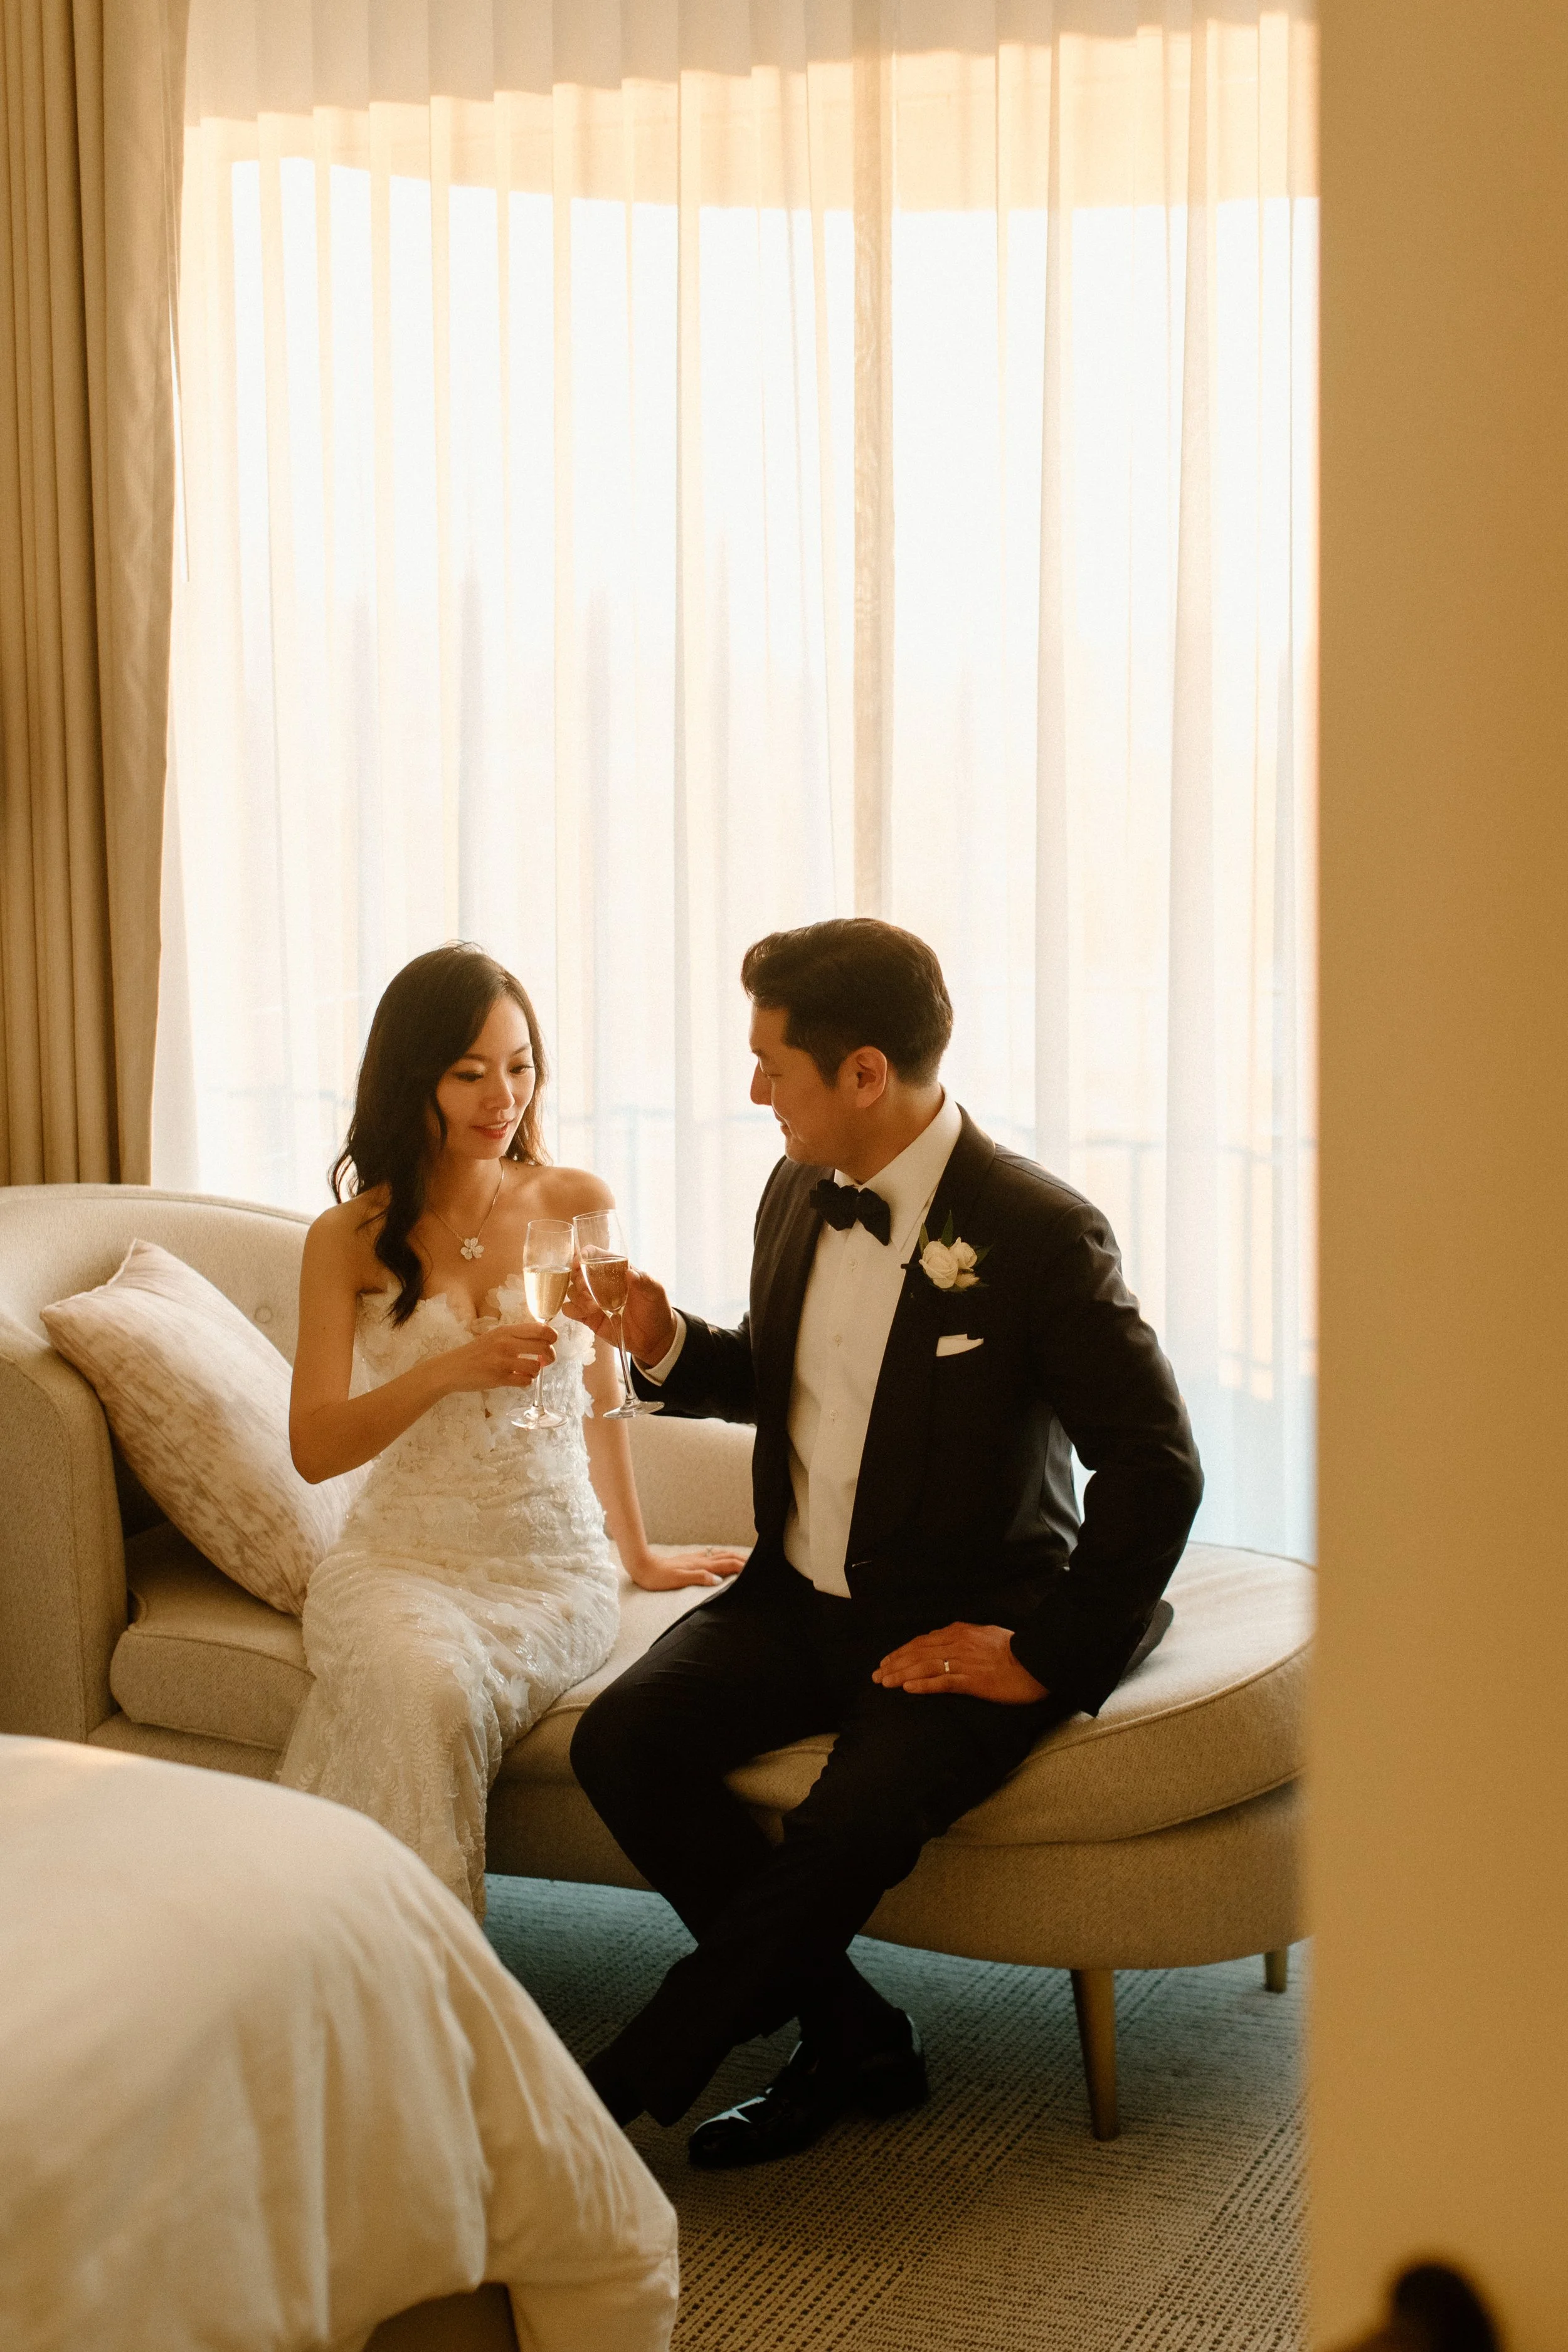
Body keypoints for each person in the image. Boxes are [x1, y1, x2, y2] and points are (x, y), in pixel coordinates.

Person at [566, 917, 1204, 2166]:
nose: (751, 1090)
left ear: (864, 1073)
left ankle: (619, 2088)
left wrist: (1047, 1652)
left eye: (771, 1065)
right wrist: (663, 1347)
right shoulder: (797, 1189)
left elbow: (1155, 1461)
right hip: (791, 1599)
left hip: (958, 1624)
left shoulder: (1033, 1230)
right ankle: (853, 2038)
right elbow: (792, 1376)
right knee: (622, 1743)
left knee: (848, 1819)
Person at [281, 943, 746, 1915]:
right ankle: (378, 1969)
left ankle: (404, 1973)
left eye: (521, 1064)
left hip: (549, 1568)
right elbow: (316, 1445)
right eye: (470, 1071)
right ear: (414, 1077)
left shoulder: (575, 1202)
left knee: (435, 1691)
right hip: (398, 1557)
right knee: (420, 1679)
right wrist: (452, 1369)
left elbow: (603, 1390)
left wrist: (638, 1549)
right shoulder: (345, 1239)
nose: (504, 1095)